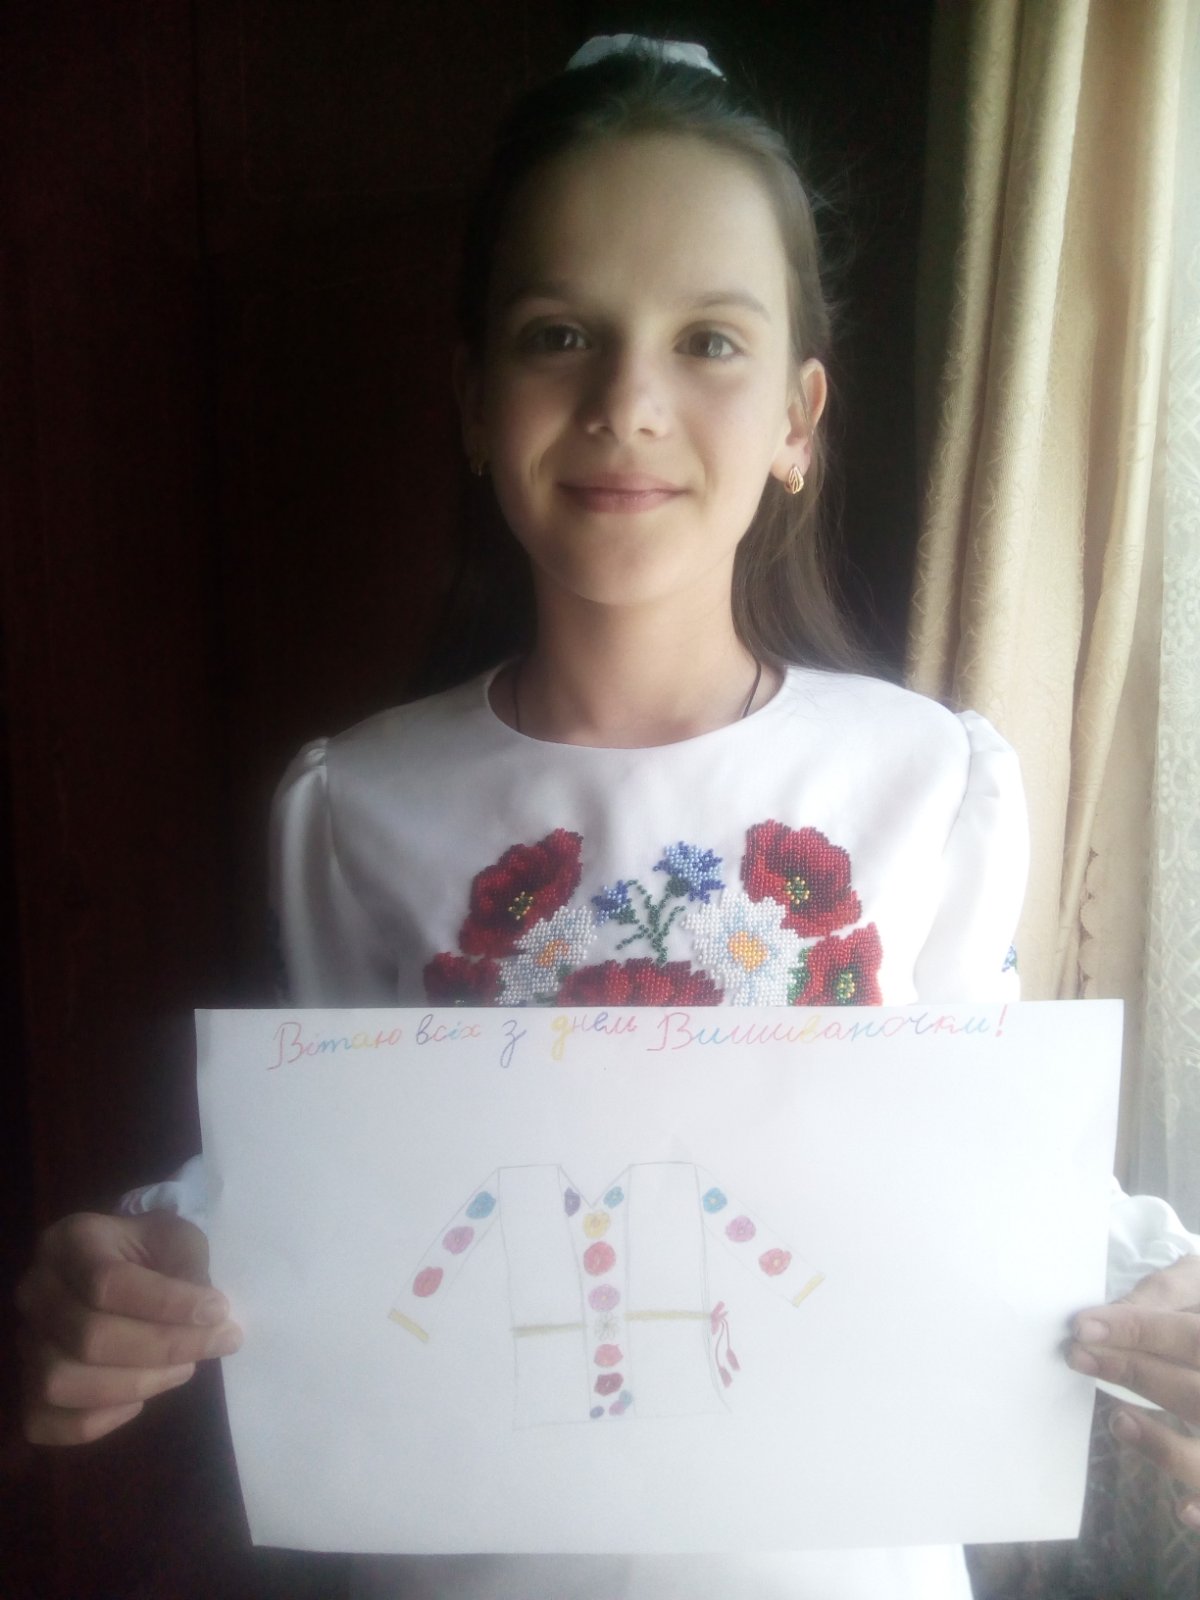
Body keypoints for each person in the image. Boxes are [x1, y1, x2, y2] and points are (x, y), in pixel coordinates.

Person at [15, 32, 1200, 1600]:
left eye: (710, 340)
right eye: (560, 334)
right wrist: (128, 1278)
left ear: (798, 416)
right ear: (473, 398)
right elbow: (321, 1182)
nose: (628, 402)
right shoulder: (354, 806)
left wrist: (1164, 1313)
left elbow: (988, 1182)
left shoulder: (931, 783)